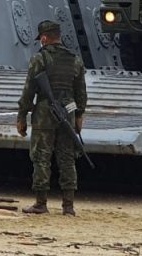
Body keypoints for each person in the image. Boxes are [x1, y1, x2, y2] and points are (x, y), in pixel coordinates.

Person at [16, 20, 88, 216]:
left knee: (41, 158)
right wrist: (79, 115)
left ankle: (41, 203)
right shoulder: (75, 60)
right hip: (68, 113)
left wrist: (22, 115)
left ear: (44, 38)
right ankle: (68, 206)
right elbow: (81, 92)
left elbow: (29, 90)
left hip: (44, 114)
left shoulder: (39, 59)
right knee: (67, 159)